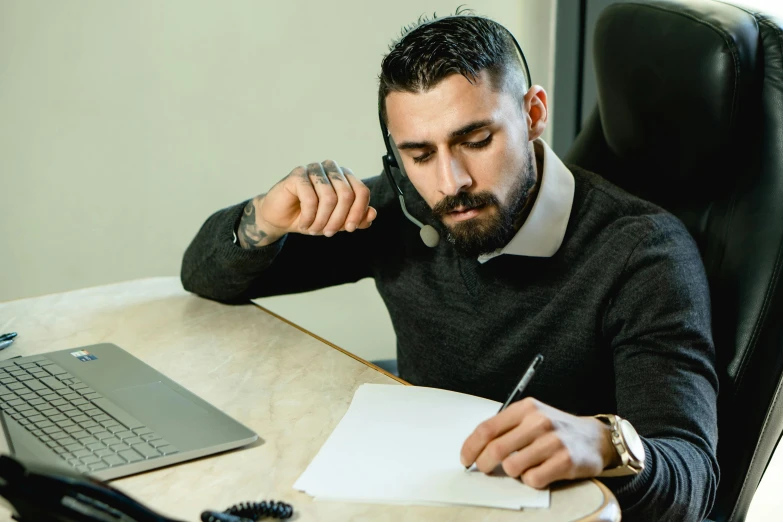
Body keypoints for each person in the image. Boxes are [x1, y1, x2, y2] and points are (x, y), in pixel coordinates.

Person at [181, 13, 718, 521]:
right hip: (415, 493)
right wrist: (266, 218)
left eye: (476, 140)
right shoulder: (405, 210)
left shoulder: (643, 253)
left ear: (532, 114)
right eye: (419, 154)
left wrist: (605, 444)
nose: (450, 182)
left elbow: (692, 482)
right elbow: (204, 279)